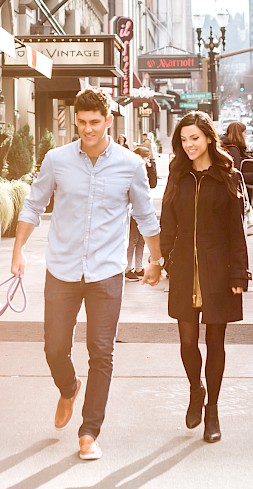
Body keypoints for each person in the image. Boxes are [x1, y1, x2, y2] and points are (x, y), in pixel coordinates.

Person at [12, 87, 162, 462]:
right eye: (81, 122)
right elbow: (33, 204)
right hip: (61, 269)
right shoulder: (57, 159)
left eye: (95, 122)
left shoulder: (130, 164)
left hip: (106, 272)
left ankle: (89, 431)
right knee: (54, 347)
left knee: (101, 351)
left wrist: (156, 260)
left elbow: (145, 216)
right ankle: (68, 387)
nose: (88, 130)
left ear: (108, 120)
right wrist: (18, 250)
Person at [148, 111, 249, 444]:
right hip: (183, 271)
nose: (188, 144)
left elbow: (237, 231)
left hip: (218, 270)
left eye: (194, 138)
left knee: (215, 343)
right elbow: (167, 224)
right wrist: (159, 261)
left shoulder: (227, 177)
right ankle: (196, 389)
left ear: (208, 138)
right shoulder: (177, 175)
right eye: (183, 139)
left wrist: (239, 272)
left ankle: (213, 411)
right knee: (188, 341)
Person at [124, 145, 158, 281]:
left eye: (148, 157)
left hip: (144, 208)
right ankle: (127, 268)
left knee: (141, 240)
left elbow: (153, 184)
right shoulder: (129, 169)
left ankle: (138, 267)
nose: (147, 160)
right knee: (132, 240)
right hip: (133, 210)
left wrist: (151, 167)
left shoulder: (144, 169)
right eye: (145, 157)